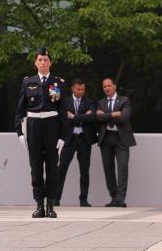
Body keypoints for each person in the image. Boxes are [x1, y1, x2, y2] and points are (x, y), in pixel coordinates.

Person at [14, 47, 67, 218]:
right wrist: (20, 134)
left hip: (52, 126)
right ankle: (39, 205)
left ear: (50, 62)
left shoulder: (58, 83)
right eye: (40, 60)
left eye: (45, 59)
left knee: (52, 167)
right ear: (35, 62)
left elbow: (63, 112)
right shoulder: (28, 82)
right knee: (36, 167)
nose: (43, 62)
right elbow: (20, 109)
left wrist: (63, 136)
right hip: (34, 126)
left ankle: (50, 205)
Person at [54, 78, 96, 207]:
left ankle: (83, 200)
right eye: (78, 89)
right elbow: (63, 118)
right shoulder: (65, 102)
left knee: (84, 171)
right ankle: (56, 198)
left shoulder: (89, 102)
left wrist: (74, 117)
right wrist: (82, 117)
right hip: (69, 139)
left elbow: (92, 117)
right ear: (72, 88)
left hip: (84, 139)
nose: (81, 92)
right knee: (61, 169)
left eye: (83, 89)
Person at [96, 77, 136, 207]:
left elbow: (124, 117)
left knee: (122, 168)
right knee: (108, 169)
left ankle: (120, 199)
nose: (107, 88)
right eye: (104, 86)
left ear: (114, 86)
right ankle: (113, 197)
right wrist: (113, 114)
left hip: (121, 139)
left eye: (109, 86)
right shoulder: (101, 102)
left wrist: (105, 116)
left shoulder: (124, 100)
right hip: (106, 138)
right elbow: (97, 118)